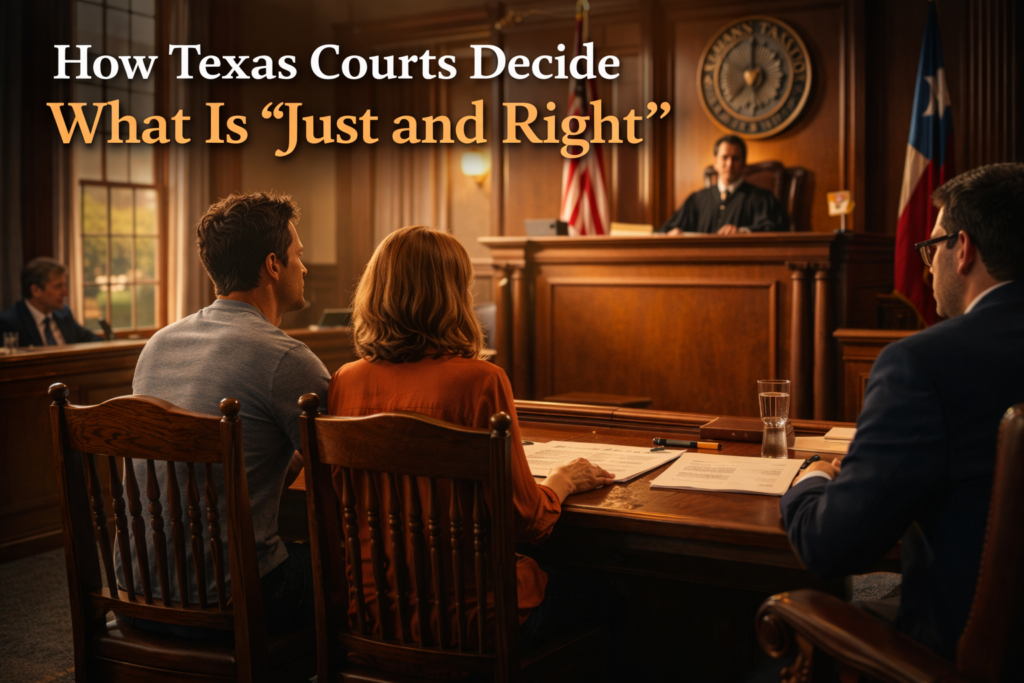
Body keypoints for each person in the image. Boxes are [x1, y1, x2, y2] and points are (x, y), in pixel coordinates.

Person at [327, 225, 620, 661]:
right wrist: (561, 481)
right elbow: (526, 522)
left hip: (372, 614)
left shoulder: (344, 382)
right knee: (614, 596)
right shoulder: (481, 382)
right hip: (474, 621)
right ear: (453, 296)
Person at [781, 163, 1024, 661]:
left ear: (964, 251)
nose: (925, 265)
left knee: (836, 594)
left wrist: (812, 478)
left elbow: (832, 547)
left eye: (930, 247)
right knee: (873, 586)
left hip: (955, 646)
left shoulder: (923, 364)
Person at [115, 191, 330, 639]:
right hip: (231, 604)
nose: (305, 268)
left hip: (134, 597)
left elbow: (230, 458)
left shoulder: (158, 344)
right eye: (298, 255)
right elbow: (341, 472)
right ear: (273, 265)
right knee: (364, 577)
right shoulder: (287, 359)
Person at [657, 135, 789, 235]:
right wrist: (673, 233)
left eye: (735, 158)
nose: (730, 164)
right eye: (725, 157)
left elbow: (778, 229)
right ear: (715, 162)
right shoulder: (696, 200)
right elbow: (665, 230)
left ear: (744, 163)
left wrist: (743, 232)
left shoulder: (762, 199)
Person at [0, 257, 104, 346]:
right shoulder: (9, 323)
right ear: (36, 290)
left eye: (64, 285)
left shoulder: (64, 313)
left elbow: (91, 340)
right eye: (58, 286)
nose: (65, 293)